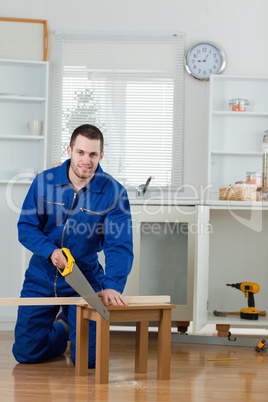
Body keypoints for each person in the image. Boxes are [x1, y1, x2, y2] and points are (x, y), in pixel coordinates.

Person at [12, 124, 134, 368]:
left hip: (84, 278)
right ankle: (64, 326)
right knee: (26, 354)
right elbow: (26, 227)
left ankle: (73, 322)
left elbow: (119, 245)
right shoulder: (44, 182)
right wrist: (51, 252)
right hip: (42, 276)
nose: (85, 160)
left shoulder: (114, 192)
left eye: (92, 154)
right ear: (69, 150)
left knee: (89, 361)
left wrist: (112, 286)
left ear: (101, 155)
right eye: (80, 152)